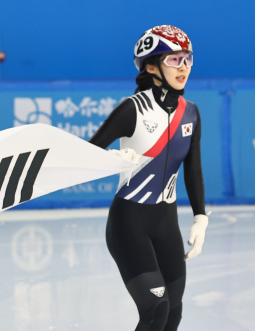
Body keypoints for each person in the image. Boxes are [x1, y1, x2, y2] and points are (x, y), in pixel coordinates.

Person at [89, 25, 208, 331]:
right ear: (152, 67)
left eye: (188, 58)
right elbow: (86, 153)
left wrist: (200, 218)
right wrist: (111, 159)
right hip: (130, 223)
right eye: (174, 60)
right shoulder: (133, 110)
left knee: (174, 311)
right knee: (156, 309)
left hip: (166, 222)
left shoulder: (191, 113)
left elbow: (193, 169)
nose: (183, 67)